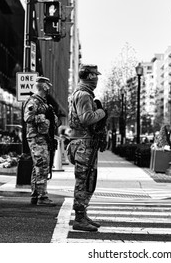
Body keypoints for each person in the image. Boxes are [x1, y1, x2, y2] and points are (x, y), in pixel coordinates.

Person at [67, 64, 107, 232]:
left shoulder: (81, 94)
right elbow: (86, 119)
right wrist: (102, 113)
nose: (97, 79)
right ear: (90, 77)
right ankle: (79, 218)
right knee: (84, 181)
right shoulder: (84, 95)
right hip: (84, 144)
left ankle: (82, 214)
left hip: (82, 142)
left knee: (87, 179)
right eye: (95, 75)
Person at [23, 76, 59, 206]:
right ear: (44, 86)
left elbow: (56, 122)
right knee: (42, 166)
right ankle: (42, 197)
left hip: (44, 138)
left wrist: (52, 118)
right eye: (48, 85)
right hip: (36, 138)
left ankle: (36, 195)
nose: (49, 87)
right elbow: (27, 117)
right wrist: (44, 118)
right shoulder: (33, 101)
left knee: (38, 166)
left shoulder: (45, 103)